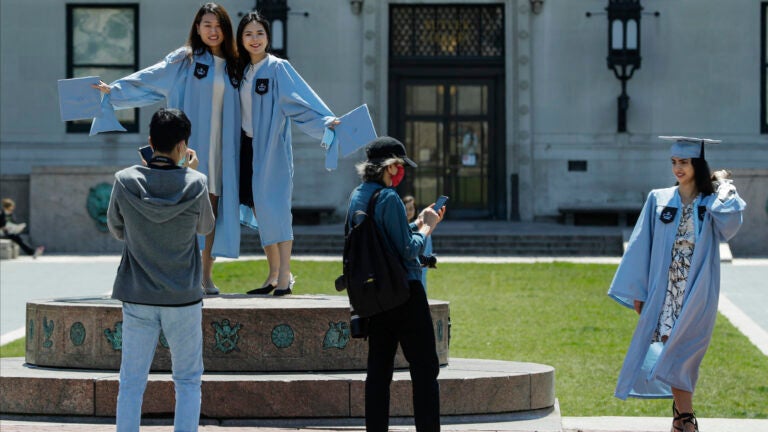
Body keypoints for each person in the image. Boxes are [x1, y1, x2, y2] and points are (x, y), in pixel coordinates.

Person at [92, 2, 241, 295]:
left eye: (218, 25)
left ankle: (206, 276)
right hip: (189, 143)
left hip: (224, 146)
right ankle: (183, 274)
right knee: (186, 208)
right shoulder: (184, 60)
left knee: (212, 208)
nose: (213, 31)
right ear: (197, 28)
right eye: (207, 25)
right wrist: (116, 89)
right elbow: (151, 76)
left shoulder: (235, 64)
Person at [607, 137, 746, 432]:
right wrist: (638, 291)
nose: (677, 168)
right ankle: (684, 419)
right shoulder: (658, 198)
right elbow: (640, 244)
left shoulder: (711, 204)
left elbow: (731, 224)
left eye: (684, 162)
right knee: (673, 349)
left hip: (697, 288)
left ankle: (682, 416)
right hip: (665, 288)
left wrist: (725, 187)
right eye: (674, 163)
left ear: (697, 165)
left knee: (684, 351)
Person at [106, 108, 215, 432]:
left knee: (132, 382)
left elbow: (116, 229)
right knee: (187, 380)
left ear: (150, 142)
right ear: (184, 145)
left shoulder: (125, 181)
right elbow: (205, 226)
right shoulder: (196, 184)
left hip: (137, 293)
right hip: (183, 296)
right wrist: (189, 172)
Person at [235, 12, 339, 296]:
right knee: (259, 209)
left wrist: (326, 122)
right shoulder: (241, 71)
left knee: (277, 208)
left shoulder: (278, 68)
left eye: (259, 33)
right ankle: (272, 274)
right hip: (244, 148)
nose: (254, 39)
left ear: (268, 37)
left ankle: (284, 277)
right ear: (240, 39)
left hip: (271, 147)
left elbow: (301, 101)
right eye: (248, 34)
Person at [347, 137, 444, 432]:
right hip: (404, 291)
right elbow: (408, 250)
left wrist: (414, 223)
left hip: (374, 295)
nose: (401, 172)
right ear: (389, 167)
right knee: (425, 369)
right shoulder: (388, 198)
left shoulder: (358, 196)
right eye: (399, 166)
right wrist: (427, 226)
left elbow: (385, 236)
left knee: (379, 371)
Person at [402, 194, 433, 291]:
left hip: (419, 272)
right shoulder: (399, 229)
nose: (408, 212)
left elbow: (427, 254)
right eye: (405, 209)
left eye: (411, 209)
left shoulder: (422, 230)